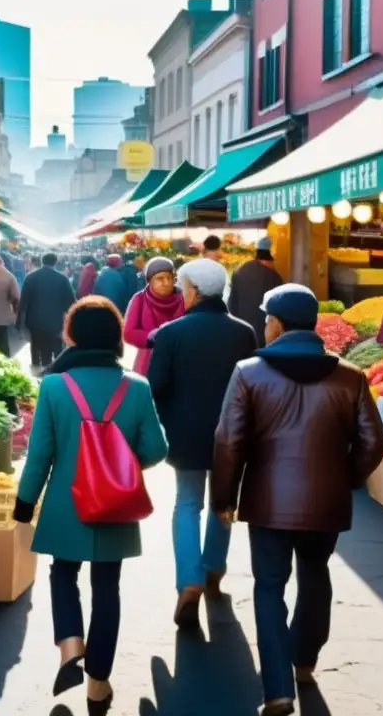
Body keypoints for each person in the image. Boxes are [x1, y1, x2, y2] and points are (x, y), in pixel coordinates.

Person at [212, 284, 383, 716]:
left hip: (267, 501)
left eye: (266, 318)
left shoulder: (248, 372)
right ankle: (305, 660)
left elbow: (228, 441)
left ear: (276, 324)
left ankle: (278, 690)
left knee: (269, 586)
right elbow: (374, 441)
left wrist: (224, 498)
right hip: (326, 501)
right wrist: (345, 478)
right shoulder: (350, 376)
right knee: (315, 572)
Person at [13, 297, 168, 715]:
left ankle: (70, 646)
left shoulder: (54, 386)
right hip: (116, 503)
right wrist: (120, 464)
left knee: (63, 573)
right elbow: (157, 448)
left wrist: (25, 503)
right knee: (107, 586)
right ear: (117, 336)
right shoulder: (136, 387)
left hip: (66, 502)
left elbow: (39, 454)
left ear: (72, 335)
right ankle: (98, 684)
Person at [147, 259, 258, 626]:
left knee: (187, 503)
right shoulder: (244, 332)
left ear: (193, 291)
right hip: (232, 433)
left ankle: (189, 579)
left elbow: (155, 386)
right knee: (222, 501)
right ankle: (213, 568)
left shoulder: (171, 333)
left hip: (185, 433)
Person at [121, 257, 185, 376]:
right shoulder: (139, 299)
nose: (166, 283)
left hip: (179, 362)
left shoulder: (184, 298)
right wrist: (150, 336)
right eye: (160, 279)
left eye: (169, 278)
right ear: (149, 281)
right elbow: (128, 333)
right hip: (148, 363)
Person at [18, 252, 77, 372]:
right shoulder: (62, 279)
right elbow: (71, 302)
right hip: (55, 321)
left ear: (42, 261)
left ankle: (39, 367)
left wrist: (20, 323)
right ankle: (55, 370)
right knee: (57, 346)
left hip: (35, 321)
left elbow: (23, 302)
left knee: (37, 345)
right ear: (55, 262)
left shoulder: (31, 277)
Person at [229, 237, 283, 335]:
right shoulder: (274, 277)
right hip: (265, 333)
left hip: (242, 331)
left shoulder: (240, 271)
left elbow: (232, 305)